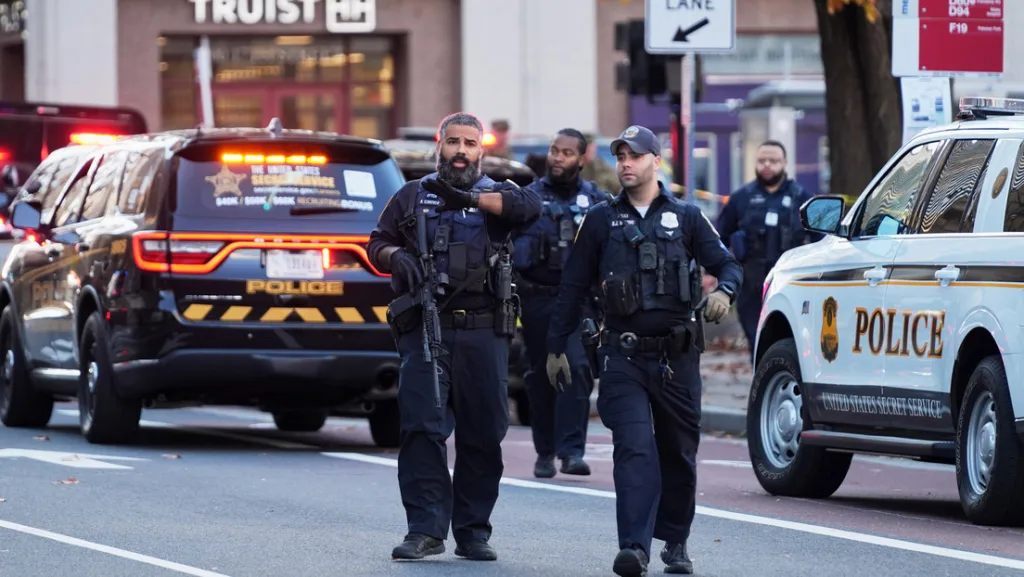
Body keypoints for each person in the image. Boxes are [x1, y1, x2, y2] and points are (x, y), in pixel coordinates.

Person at [545, 125, 742, 577]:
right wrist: (557, 347)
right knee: (633, 449)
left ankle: (675, 539)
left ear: (656, 161)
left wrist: (724, 292)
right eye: (620, 156)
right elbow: (572, 288)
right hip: (622, 357)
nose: (626, 164)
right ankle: (633, 546)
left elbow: (727, 264)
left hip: (677, 357)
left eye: (634, 155)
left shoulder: (688, 217)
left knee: (677, 452)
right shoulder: (599, 220)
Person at [367, 112, 542, 562]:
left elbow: (530, 209)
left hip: (485, 332)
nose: (461, 151)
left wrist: (469, 198)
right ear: (438, 145)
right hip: (429, 327)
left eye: (469, 143)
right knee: (422, 427)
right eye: (453, 142)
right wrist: (394, 257)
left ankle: (472, 532)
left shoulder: (497, 195)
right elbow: (375, 243)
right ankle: (424, 530)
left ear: (481, 150)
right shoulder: (412, 196)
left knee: (485, 432)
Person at [512, 128, 612, 479]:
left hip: (580, 302)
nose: (557, 158)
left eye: (566, 153)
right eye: (554, 150)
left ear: (581, 159)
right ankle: (545, 451)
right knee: (541, 377)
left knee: (579, 369)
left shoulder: (597, 201)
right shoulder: (528, 198)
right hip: (537, 300)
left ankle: (571, 452)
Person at [715, 140, 818, 364]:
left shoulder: (802, 198)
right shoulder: (741, 198)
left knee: (787, 341)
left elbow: (821, 241)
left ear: (785, 163)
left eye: (774, 161)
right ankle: (760, 390)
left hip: (790, 284)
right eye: (762, 160)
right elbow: (718, 240)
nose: (767, 165)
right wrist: (715, 273)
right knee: (757, 341)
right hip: (751, 285)